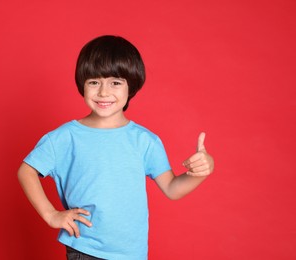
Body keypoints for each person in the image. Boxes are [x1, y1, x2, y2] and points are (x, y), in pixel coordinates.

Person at [17, 35, 215, 260]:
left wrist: (201, 172)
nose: (103, 92)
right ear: (82, 84)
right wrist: (51, 215)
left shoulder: (145, 141)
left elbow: (172, 188)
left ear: (131, 86)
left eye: (115, 82)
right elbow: (26, 170)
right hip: (85, 248)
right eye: (94, 82)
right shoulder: (65, 137)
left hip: (132, 253)